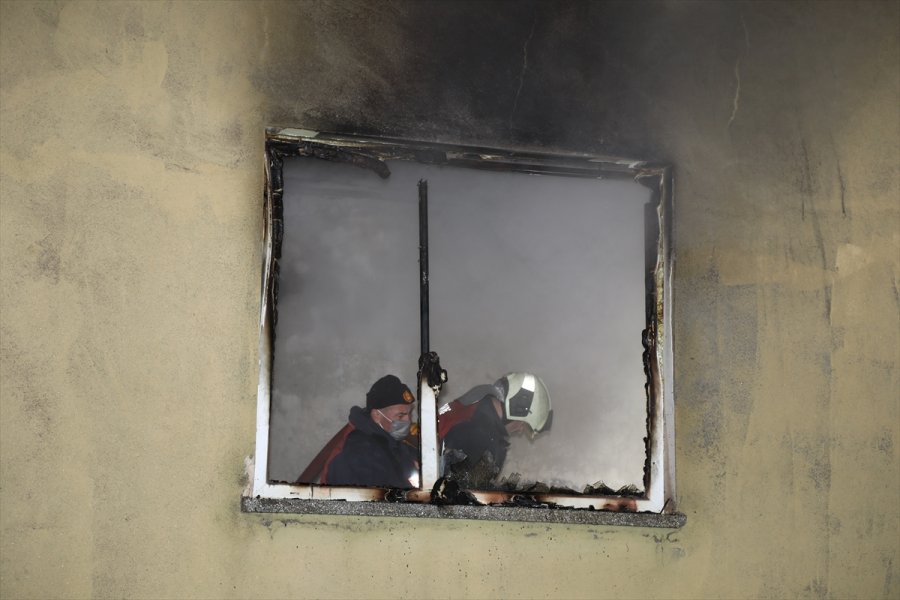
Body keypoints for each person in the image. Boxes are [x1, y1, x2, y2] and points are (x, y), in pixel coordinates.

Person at [437, 372, 552, 489]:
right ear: (517, 409)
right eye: (523, 423)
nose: (520, 430)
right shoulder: (484, 436)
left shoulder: (472, 407)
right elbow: (467, 496)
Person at [309, 374, 419, 489]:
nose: (408, 420)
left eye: (409, 413)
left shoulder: (392, 442)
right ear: (377, 415)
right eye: (400, 416)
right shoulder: (360, 453)